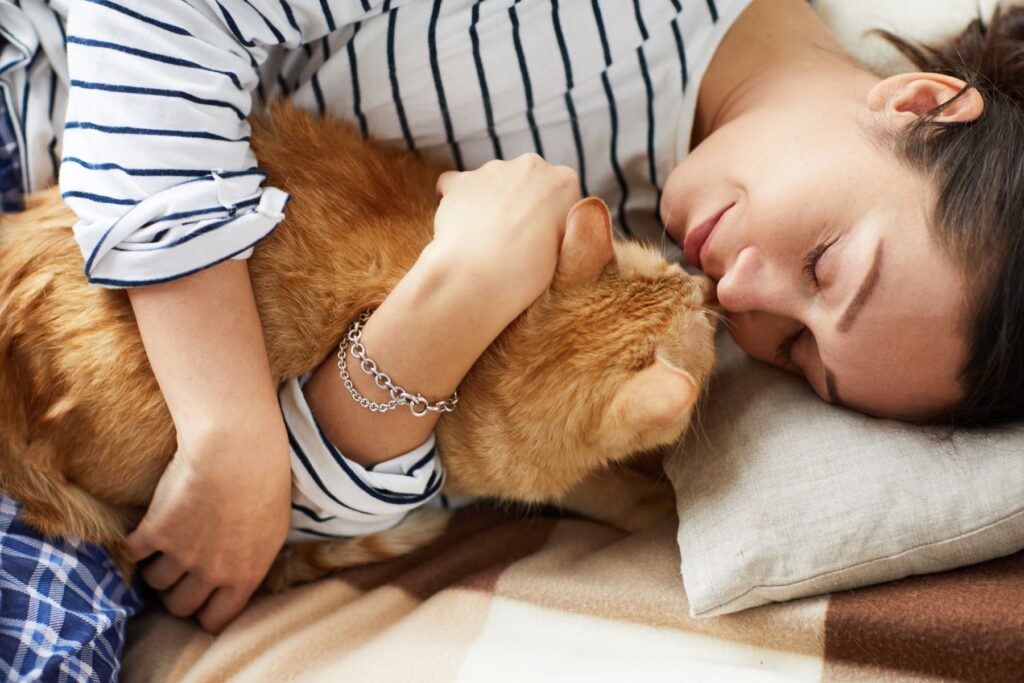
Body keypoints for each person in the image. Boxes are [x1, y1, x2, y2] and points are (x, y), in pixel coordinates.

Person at [0, 0, 1021, 679]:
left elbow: (253, 520)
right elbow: (149, 15)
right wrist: (228, 422)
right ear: (921, 104)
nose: (745, 297)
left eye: (799, 354)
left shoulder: (659, 294)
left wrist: (444, 310)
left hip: (63, 370)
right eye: (830, 262)